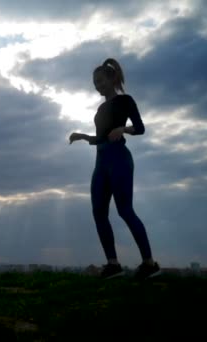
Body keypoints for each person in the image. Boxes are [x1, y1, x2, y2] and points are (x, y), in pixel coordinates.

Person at [69, 58, 161, 280]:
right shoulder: (101, 108)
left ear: (111, 79)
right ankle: (113, 264)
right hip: (100, 162)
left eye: (100, 81)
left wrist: (123, 129)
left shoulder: (126, 100)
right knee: (98, 213)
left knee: (124, 210)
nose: (97, 86)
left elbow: (140, 128)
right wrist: (83, 136)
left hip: (119, 158)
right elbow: (102, 136)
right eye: (94, 82)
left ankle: (149, 264)